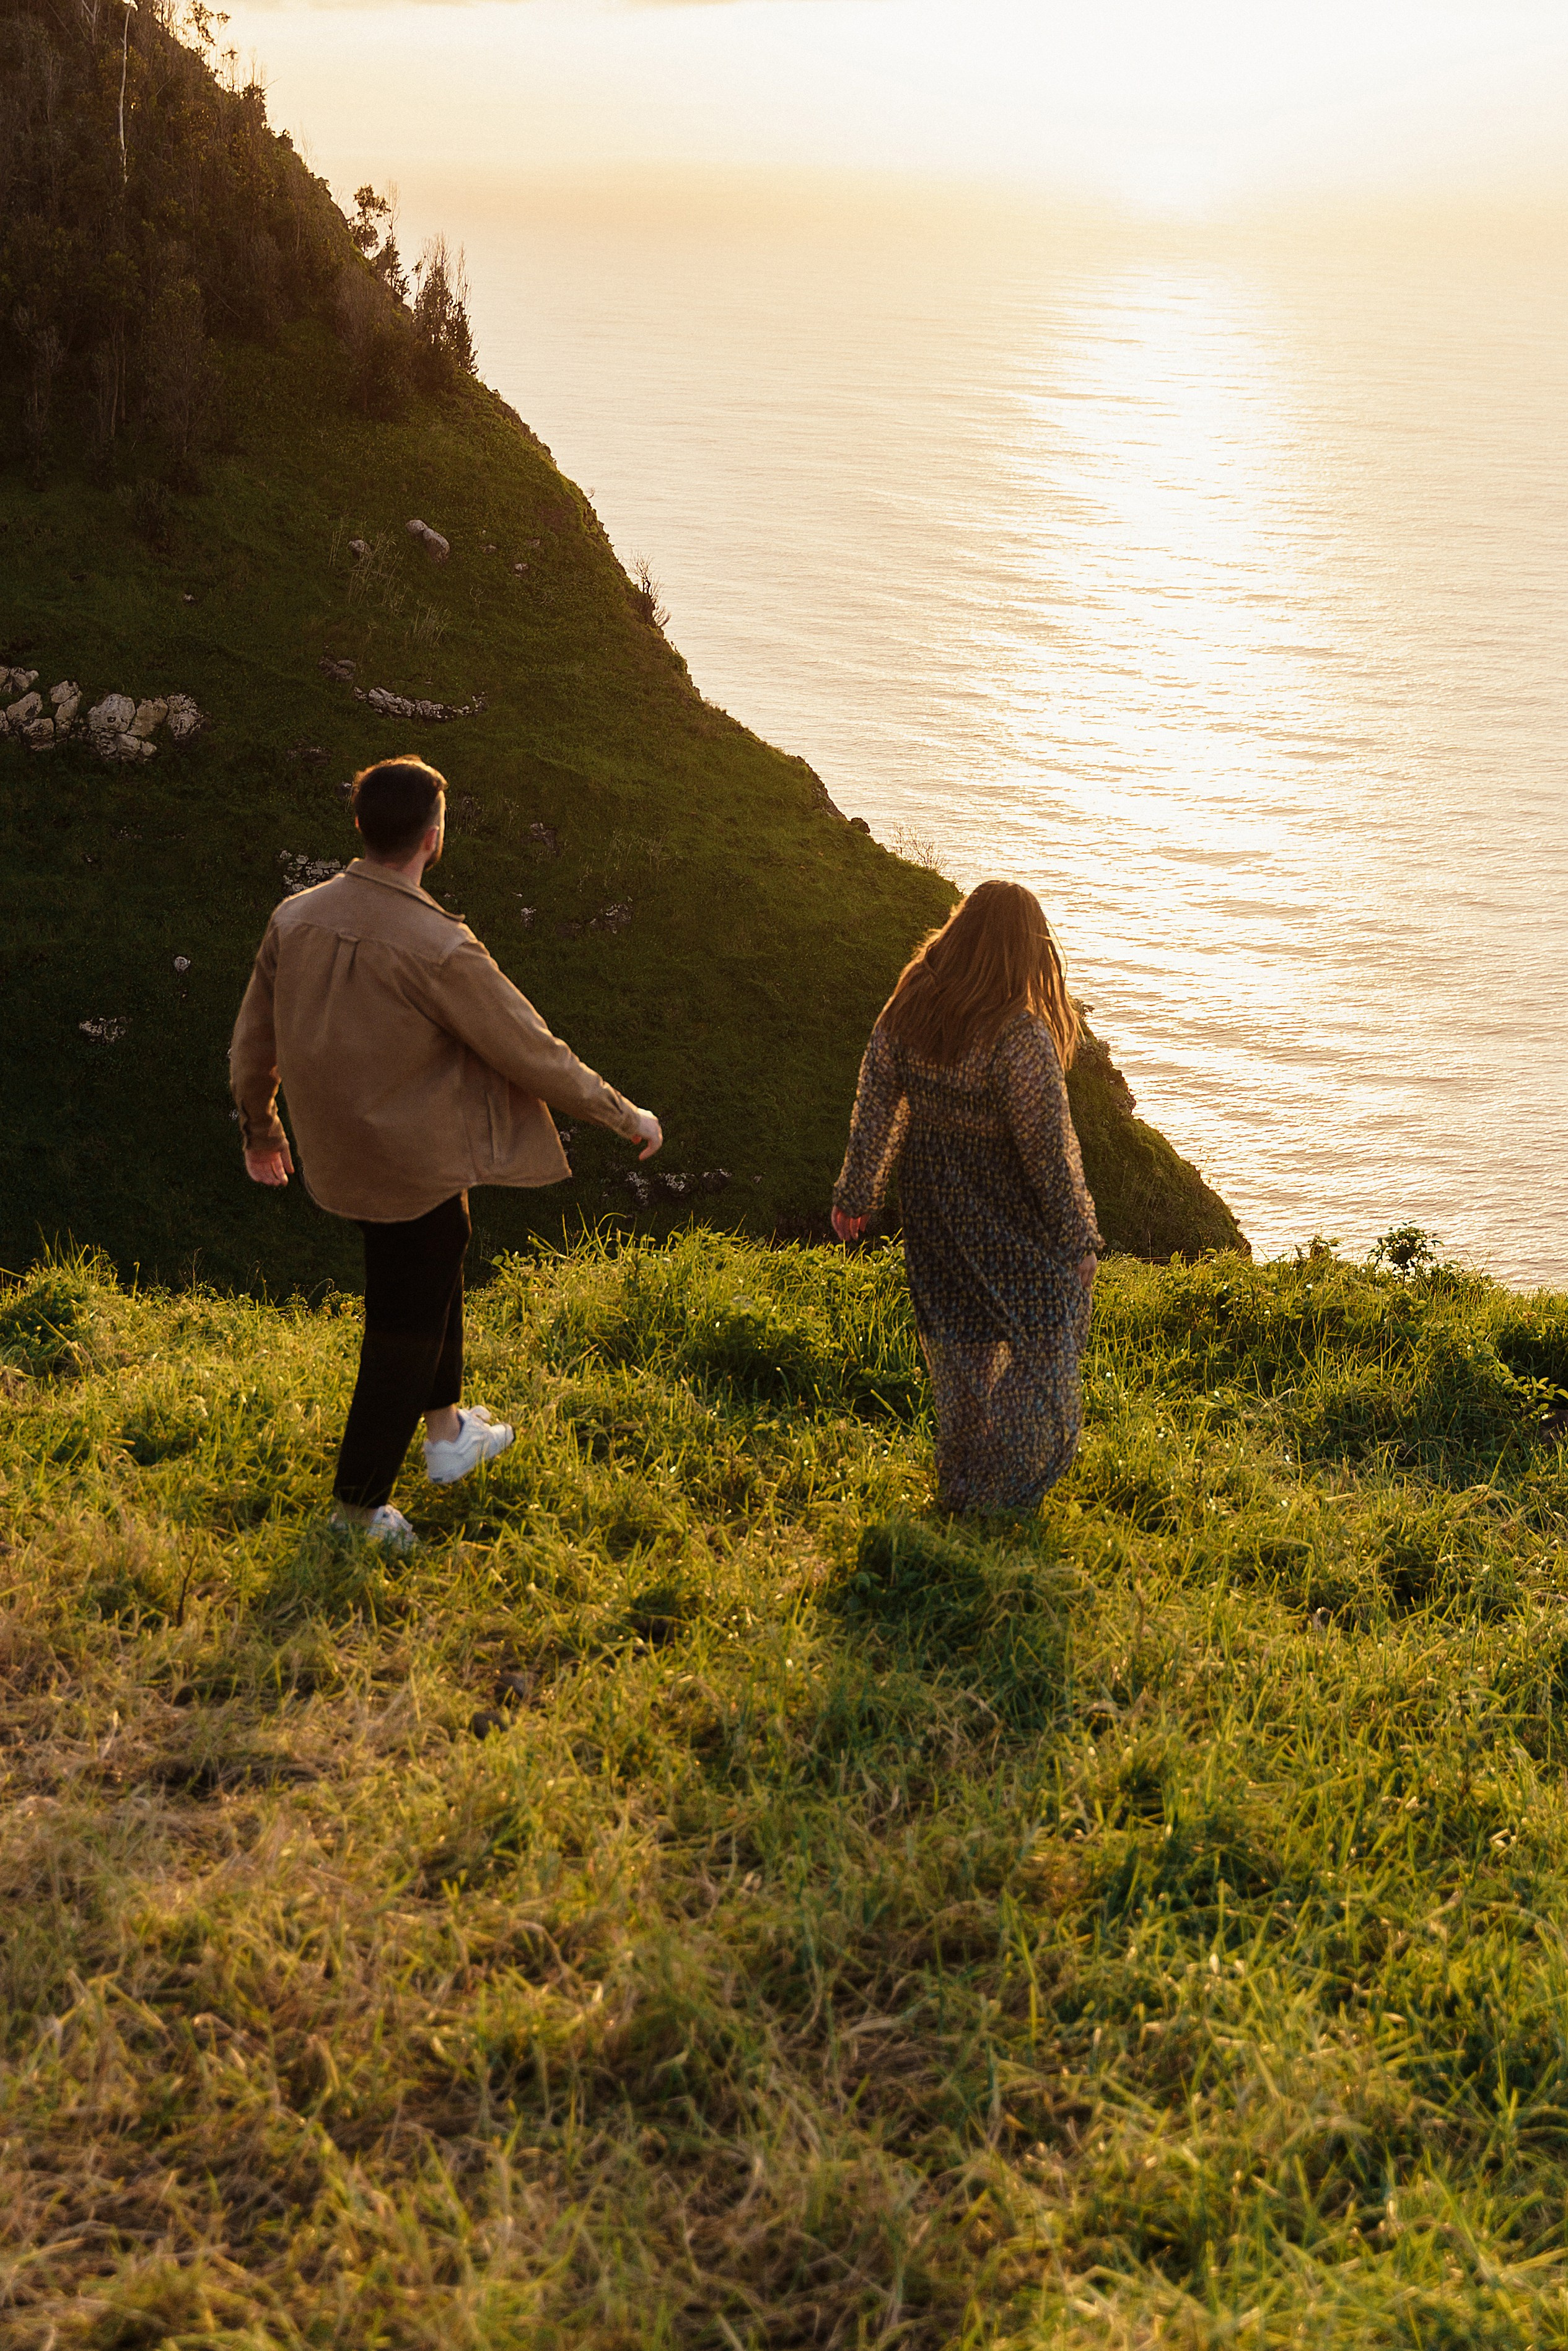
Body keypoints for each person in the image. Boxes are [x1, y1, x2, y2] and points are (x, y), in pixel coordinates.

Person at [229, 754, 662, 1549]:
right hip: (408, 1161)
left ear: (361, 827)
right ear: (434, 839)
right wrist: (623, 1114)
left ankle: (447, 1433)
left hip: (338, 1151)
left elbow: (252, 1041)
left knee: (437, 1255)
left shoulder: (295, 917)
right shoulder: (437, 945)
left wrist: (262, 1129)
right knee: (402, 1319)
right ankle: (356, 1510)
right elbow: (529, 1049)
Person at [831, 879, 1100, 1515]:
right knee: (1053, 1320)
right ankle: (998, 1478)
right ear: (1023, 949)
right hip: (999, 1204)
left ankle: (964, 1476)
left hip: (928, 1197)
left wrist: (857, 1192)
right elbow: (1046, 1152)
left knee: (965, 1339)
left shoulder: (909, 1006)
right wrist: (1077, 1239)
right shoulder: (1018, 1034)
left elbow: (875, 1105)